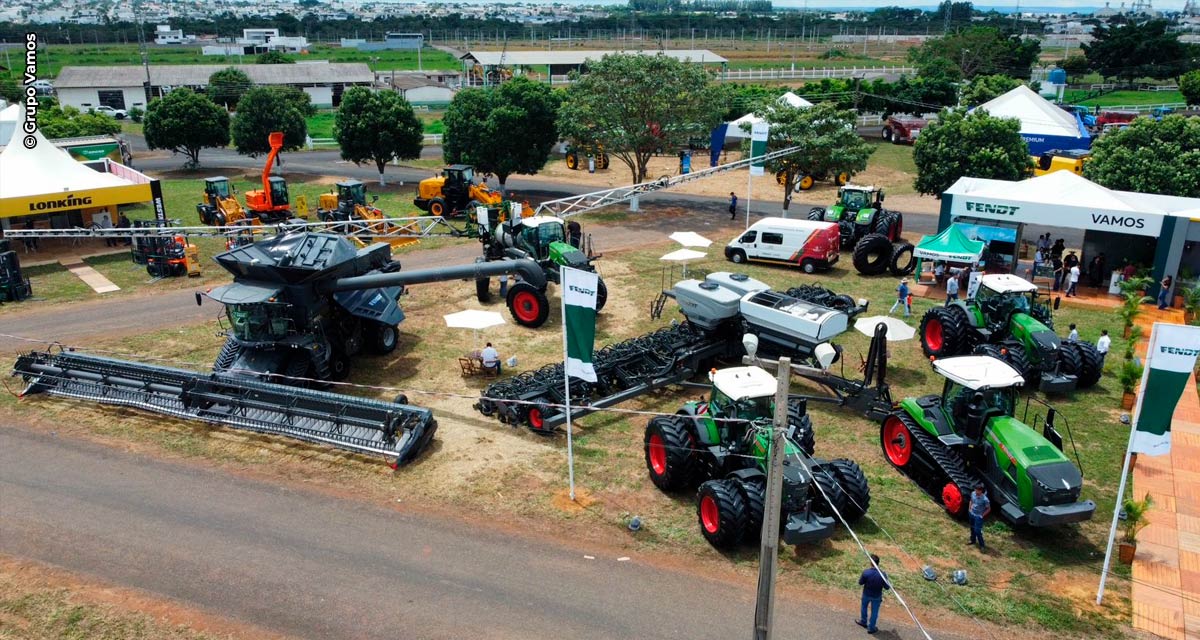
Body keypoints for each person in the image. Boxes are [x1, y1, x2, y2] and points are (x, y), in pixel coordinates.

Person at [856, 554, 890, 635]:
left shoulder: (866, 572)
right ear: (878, 563)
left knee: (864, 607)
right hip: (877, 596)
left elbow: (860, 583)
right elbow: (887, 587)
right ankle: (871, 628)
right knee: (874, 612)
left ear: (871, 563)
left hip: (866, 594)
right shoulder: (883, 574)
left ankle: (863, 621)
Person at [968, 485, 991, 550]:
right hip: (972, 514)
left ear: (981, 491)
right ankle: (972, 540)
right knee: (972, 528)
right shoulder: (973, 493)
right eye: (975, 490)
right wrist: (969, 509)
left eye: (977, 490)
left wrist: (982, 516)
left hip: (978, 516)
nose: (976, 491)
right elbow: (971, 501)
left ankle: (982, 545)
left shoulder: (985, 499)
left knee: (977, 531)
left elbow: (988, 509)